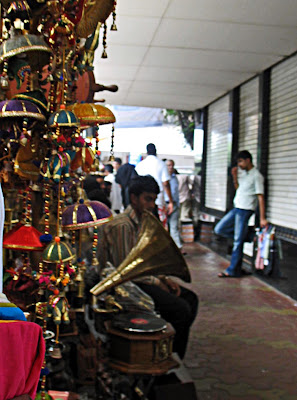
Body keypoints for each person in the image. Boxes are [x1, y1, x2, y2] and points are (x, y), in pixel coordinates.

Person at [99, 175, 198, 359]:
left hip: (138, 279)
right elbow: (124, 272)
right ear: (134, 198)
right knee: (181, 309)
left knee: (191, 300)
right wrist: (157, 282)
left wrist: (163, 279)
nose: (152, 205)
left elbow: (142, 264)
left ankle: (170, 350)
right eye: (148, 199)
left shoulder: (143, 221)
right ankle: (167, 355)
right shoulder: (123, 226)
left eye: (153, 199)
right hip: (123, 286)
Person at [215, 150, 268, 278]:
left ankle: (232, 270)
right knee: (219, 229)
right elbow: (240, 190)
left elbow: (260, 197)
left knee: (238, 241)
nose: (239, 164)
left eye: (240, 161)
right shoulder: (245, 175)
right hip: (236, 208)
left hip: (245, 210)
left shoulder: (257, 176)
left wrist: (262, 218)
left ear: (248, 160)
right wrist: (234, 177)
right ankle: (249, 236)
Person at [135, 143, 173, 227]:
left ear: (147, 152)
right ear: (156, 151)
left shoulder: (140, 165)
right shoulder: (161, 164)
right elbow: (166, 183)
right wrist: (170, 201)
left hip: (142, 199)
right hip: (158, 198)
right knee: (159, 222)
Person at [165, 159, 183, 250]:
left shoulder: (174, 178)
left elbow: (175, 192)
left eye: (171, 165)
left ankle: (178, 247)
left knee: (174, 226)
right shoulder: (164, 178)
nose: (170, 167)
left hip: (174, 204)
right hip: (166, 204)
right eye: (168, 165)